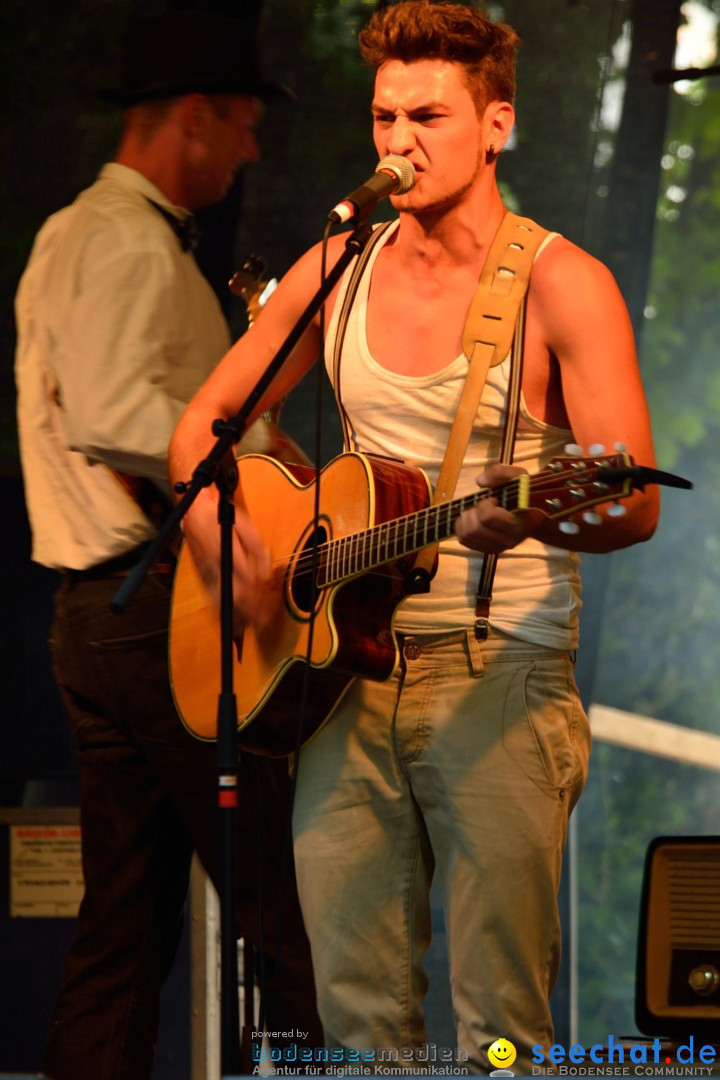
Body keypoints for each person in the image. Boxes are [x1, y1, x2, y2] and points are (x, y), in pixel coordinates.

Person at [168, 1, 660, 1073]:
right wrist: (230, 547)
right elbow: (200, 429)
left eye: (428, 117)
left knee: (498, 1030)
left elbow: (632, 497)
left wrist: (527, 511)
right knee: (355, 1025)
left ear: (497, 125)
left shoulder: (562, 283)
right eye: (385, 117)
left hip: (500, 674)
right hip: (341, 674)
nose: (398, 144)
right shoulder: (339, 262)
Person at [14, 10, 321, 1080]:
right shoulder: (127, 241)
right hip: (154, 612)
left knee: (125, 925)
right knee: (287, 910)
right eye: (239, 127)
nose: (249, 151)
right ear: (193, 119)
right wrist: (237, 463)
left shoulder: (79, 234)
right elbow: (109, 410)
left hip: (95, 615)